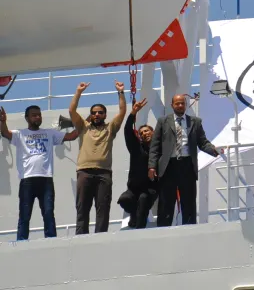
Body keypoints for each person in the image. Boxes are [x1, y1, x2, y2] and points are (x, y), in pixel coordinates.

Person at [0, 104, 78, 240]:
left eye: (39, 114)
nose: (38, 117)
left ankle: (52, 240)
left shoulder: (50, 133)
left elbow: (71, 136)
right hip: (27, 180)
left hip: (46, 180)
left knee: (48, 213)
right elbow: (5, 133)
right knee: (24, 215)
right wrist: (2, 122)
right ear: (27, 118)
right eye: (34, 115)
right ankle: (22, 242)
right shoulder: (20, 134)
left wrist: (83, 123)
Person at [149, 93, 221, 227]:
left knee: (188, 201)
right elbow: (155, 145)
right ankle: (163, 230)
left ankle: (190, 230)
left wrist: (214, 150)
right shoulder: (163, 121)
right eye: (177, 103)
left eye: (182, 103)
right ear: (172, 105)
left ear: (186, 105)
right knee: (166, 201)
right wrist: (152, 166)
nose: (180, 105)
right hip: (168, 166)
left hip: (187, 165)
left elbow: (203, 142)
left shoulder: (195, 122)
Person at [69, 80, 125, 234]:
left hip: (104, 173)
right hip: (84, 172)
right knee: (82, 208)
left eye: (100, 112)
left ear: (105, 114)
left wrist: (120, 92)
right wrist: (78, 92)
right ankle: (81, 238)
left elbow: (122, 112)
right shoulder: (83, 127)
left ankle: (100, 239)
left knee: (103, 209)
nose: (97, 114)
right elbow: (72, 111)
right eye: (94, 113)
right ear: (91, 115)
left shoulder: (110, 128)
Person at [118, 98, 158, 228]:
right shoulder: (136, 148)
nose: (144, 133)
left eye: (147, 131)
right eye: (141, 133)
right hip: (134, 189)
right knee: (124, 199)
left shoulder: (160, 148)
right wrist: (133, 113)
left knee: (143, 199)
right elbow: (128, 132)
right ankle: (134, 214)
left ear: (153, 132)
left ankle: (139, 229)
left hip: (151, 189)